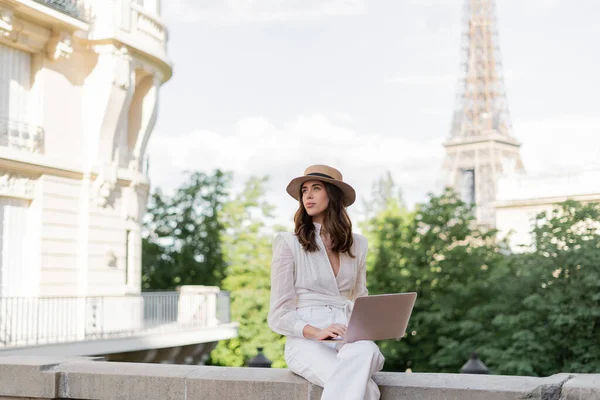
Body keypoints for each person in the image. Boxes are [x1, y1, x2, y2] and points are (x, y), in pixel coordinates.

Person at [268, 164, 384, 400]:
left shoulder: (358, 244)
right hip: (306, 340)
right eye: (304, 190)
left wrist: (371, 325)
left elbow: (361, 298)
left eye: (316, 188)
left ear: (333, 195)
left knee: (368, 349)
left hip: (348, 337)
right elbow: (279, 315)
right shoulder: (288, 243)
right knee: (368, 390)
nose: (308, 195)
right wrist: (317, 332)